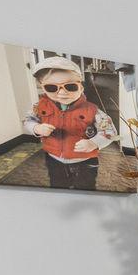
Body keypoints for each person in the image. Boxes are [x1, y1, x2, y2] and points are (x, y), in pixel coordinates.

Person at [24, 55, 116, 189]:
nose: (62, 93)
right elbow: (28, 121)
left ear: (81, 87)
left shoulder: (93, 111)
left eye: (70, 86)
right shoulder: (39, 107)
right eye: (51, 88)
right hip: (54, 159)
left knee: (85, 187)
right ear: (43, 88)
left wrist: (94, 143)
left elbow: (110, 132)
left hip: (85, 162)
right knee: (57, 185)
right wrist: (36, 128)